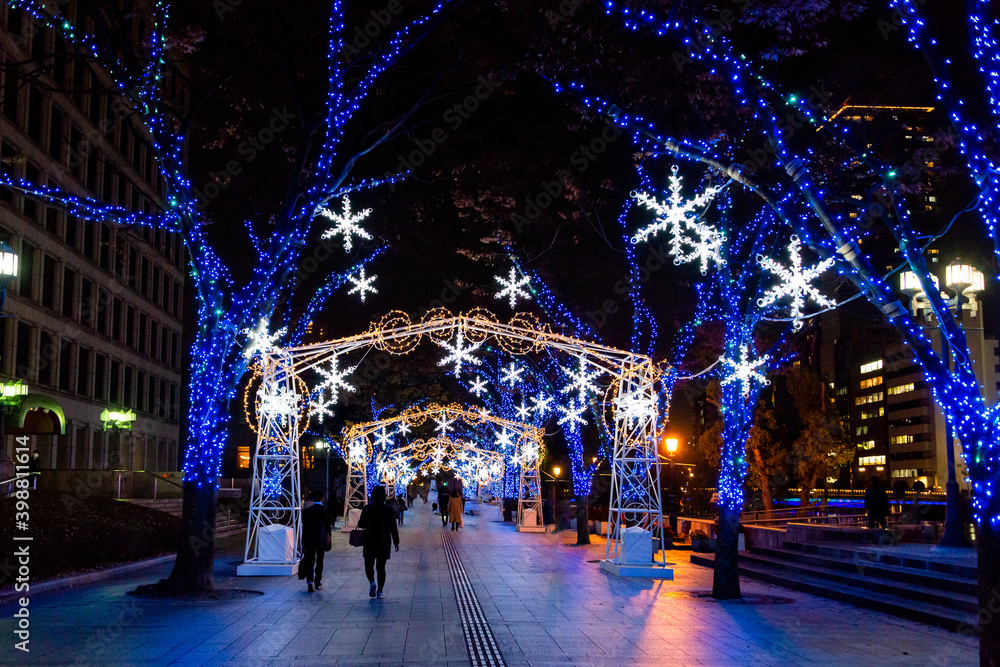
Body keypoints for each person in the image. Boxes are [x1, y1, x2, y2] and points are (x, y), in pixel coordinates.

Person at [357, 485, 399, 600]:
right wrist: (396, 541)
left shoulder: (367, 509)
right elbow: (393, 527)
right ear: (384, 496)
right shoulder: (389, 509)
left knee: (368, 565)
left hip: (369, 540)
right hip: (383, 541)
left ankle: (371, 582)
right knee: (381, 567)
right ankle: (380, 591)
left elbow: (361, 524)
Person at [299, 489, 332, 592]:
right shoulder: (326, 511)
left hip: (309, 539)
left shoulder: (307, 511)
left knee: (310, 560)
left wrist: (303, 543)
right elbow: (328, 527)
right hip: (321, 539)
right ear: (322, 498)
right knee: (320, 560)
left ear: (312, 498)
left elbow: (304, 528)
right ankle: (318, 582)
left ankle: (309, 581)